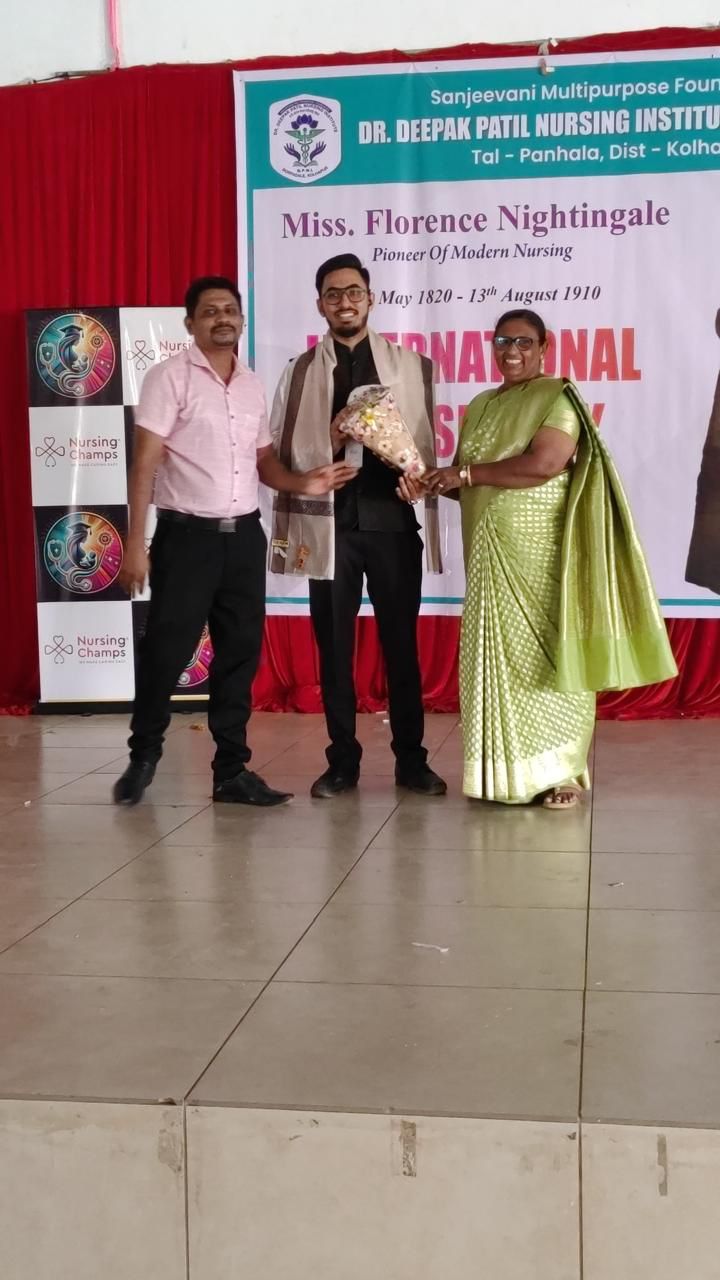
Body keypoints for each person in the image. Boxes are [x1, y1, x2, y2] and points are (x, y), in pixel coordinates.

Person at [407, 308, 677, 809]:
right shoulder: (481, 404)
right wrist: (432, 480)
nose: (512, 351)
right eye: (502, 342)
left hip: (539, 554)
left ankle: (563, 772)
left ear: (544, 346)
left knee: (550, 656)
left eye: (523, 342)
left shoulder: (558, 396)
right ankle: (504, 774)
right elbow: (470, 481)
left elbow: (545, 464)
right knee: (498, 661)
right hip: (488, 552)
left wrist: (464, 474)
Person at [113, 275, 356, 807]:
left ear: (242, 321)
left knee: (239, 657)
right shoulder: (168, 378)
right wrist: (134, 544)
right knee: (166, 653)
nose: (222, 318)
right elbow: (145, 462)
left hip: (244, 538)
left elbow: (263, 461)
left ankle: (231, 772)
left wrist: (304, 483)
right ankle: (143, 756)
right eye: (210, 311)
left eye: (230, 310)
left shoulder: (251, 384)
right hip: (186, 539)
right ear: (190, 323)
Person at [269, 253, 446, 798]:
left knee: (401, 646)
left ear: (371, 298)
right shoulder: (300, 371)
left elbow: (425, 446)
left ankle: (411, 761)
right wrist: (327, 436)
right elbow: (277, 448)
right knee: (334, 646)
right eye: (333, 294)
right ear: (319, 305)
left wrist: (419, 478)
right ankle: (341, 762)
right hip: (330, 527)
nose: (344, 302)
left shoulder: (412, 367)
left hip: (391, 521)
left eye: (353, 292)